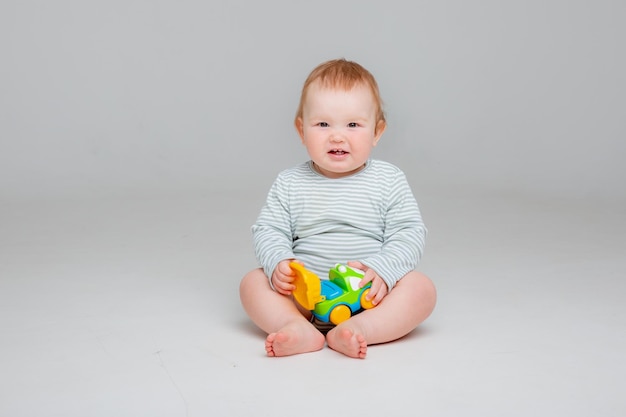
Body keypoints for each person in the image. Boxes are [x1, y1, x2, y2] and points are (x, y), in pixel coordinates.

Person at [239, 58, 436, 359]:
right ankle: (296, 326)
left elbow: (408, 233)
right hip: (305, 294)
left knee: (421, 288)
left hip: (369, 294)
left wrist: (383, 270)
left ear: (377, 131)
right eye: (322, 124)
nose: (337, 135)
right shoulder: (290, 182)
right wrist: (279, 261)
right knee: (252, 283)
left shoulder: (388, 179)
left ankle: (361, 329)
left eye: (353, 125)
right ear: (301, 130)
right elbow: (269, 229)